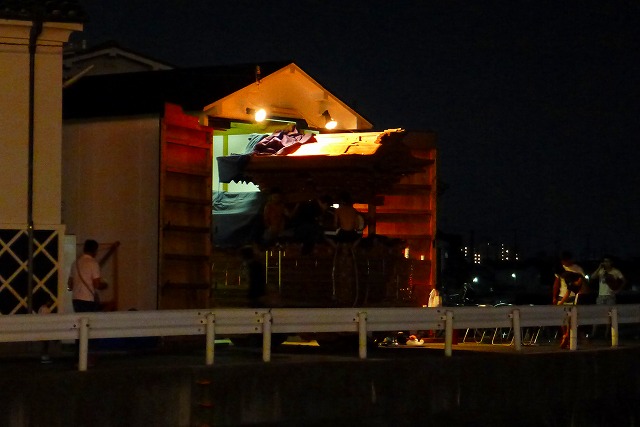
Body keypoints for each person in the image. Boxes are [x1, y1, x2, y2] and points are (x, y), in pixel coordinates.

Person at [552, 251, 586, 348]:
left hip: (574, 297)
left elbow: (572, 289)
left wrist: (561, 302)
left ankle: (567, 338)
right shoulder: (561, 270)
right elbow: (557, 283)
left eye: (565, 260)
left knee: (571, 320)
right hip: (563, 295)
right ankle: (565, 337)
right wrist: (555, 297)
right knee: (562, 320)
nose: (564, 263)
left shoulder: (576, 270)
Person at [590, 255, 626, 338]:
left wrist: (618, 290)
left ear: (611, 262)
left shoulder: (615, 271)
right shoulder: (601, 271)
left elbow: (624, 280)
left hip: (610, 295)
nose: (606, 263)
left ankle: (607, 334)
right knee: (597, 314)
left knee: (610, 316)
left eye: (608, 261)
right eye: (605, 261)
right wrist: (599, 267)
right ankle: (593, 334)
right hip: (601, 295)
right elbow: (592, 277)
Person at [68, 239, 105, 312]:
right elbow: (96, 284)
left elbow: (70, 285)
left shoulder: (75, 263)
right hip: (88, 299)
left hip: (75, 299)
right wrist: (104, 285)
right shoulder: (93, 263)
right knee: (89, 321)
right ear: (95, 250)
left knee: (79, 321)